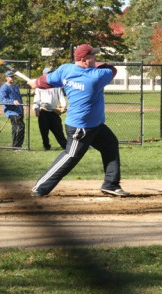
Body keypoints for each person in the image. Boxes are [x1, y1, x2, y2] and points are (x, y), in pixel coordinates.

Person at [27, 43, 129, 197]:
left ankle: (111, 184)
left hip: (96, 125)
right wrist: (39, 83)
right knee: (70, 156)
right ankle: (40, 187)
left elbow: (45, 81)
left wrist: (36, 83)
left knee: (110, 144)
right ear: (83, 59)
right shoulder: (96, 77)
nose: (95, 58)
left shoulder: (65, 69)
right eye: (92, 56)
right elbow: (112, 69)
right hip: (81, 128)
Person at [33, 68, 67, 150]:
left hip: (54, 111)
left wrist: (64, 106)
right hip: (43, 111)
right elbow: (36, 99)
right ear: (44, 75)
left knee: (59, 131)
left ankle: (65, 146)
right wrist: (36, 109)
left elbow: (61, 97)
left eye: (51, 73)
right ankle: (46, 146)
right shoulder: (39, 86)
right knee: (44, 132)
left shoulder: (56, 85)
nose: (50, 75)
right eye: (48, 73)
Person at [0, 70, 25, 148]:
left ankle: (15, 146)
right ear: (6, 78)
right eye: (10, 76)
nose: (12, 78)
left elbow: (19, 98)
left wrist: (21, 108)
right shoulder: (4, 88)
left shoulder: (15, 86)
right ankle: (17, 146)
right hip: (12, 112)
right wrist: (12, 101)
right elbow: (3, 100)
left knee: (15, 129)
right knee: (20, 127)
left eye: (13, 76)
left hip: (19, 111)